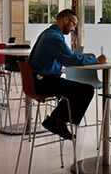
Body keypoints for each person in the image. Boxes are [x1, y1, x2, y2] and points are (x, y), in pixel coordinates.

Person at [28, 9, 106, 140]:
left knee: (76, 89)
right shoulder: (53, 37)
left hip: (39, 80)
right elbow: (70, 60)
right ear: (65, 20)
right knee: (86, 90)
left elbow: (68, 57)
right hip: (43, 82)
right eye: (74, 24)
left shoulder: (48, 34)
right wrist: (95, 60)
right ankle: (56, 120)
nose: (73, 28)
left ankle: (58, 121)